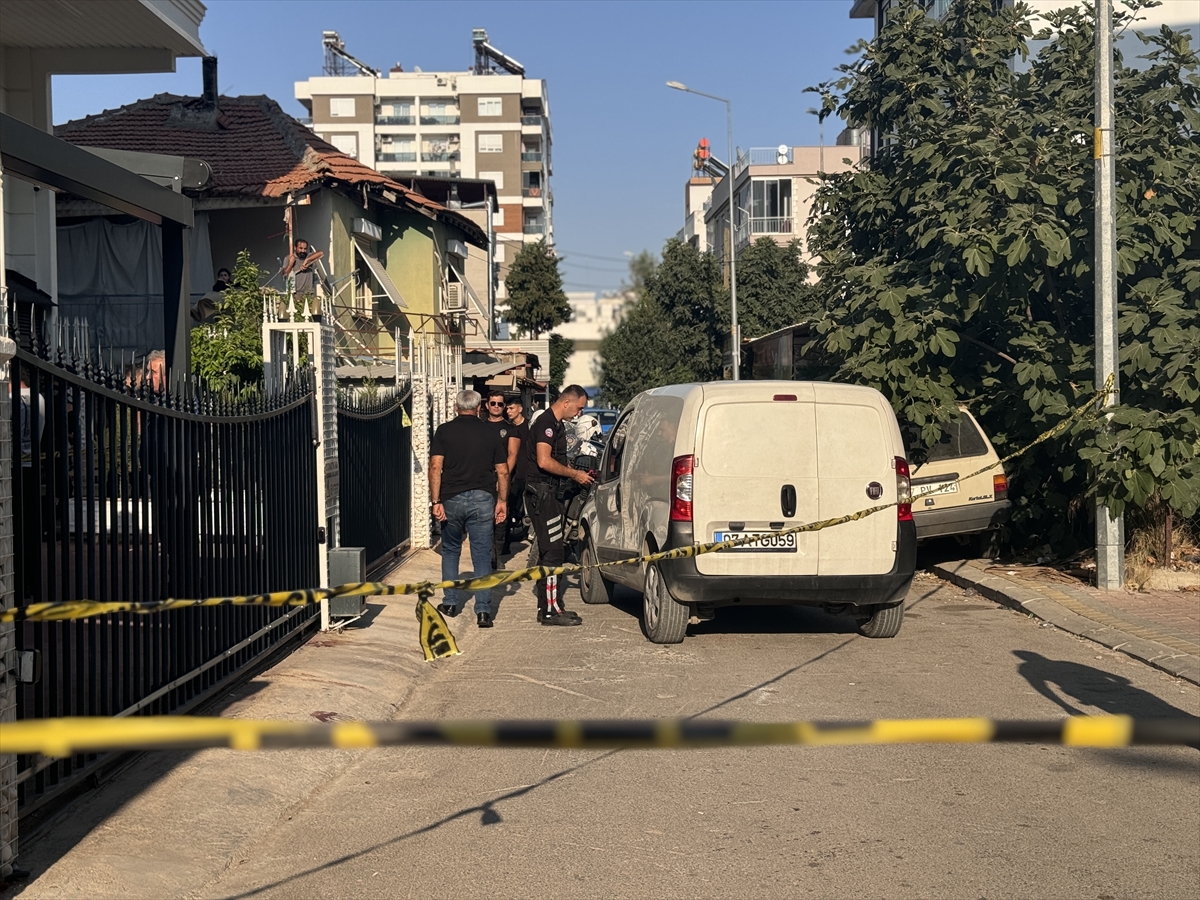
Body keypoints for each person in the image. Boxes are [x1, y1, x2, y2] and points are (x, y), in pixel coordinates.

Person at [429, 390, 509, 628]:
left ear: (456, 407)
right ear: (479, 408)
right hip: (483, 498)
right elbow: (503, 470)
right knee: (482, 555)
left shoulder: (444, 431)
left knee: (450, 550)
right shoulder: (490, 433)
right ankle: (483, 610)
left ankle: (450, 603)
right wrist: (502, 501)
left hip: (451, 498)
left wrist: (436, 501)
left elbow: (435, 467)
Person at [524, 384, 593, 626]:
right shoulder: (546, 423)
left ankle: (551, 606)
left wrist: (575, 471)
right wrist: (574, 474)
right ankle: (550, 611)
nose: (579, 413)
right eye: (579, 408)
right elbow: (544, 461)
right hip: (542, 495)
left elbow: (556, 459)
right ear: (566, 402)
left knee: (550, 551)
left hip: (549, 493)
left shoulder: (557, 424)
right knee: (553, 552)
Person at [482, 389, 512, 567]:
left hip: (502, 478)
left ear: (504, 406)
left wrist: (503, 478)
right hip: (484, 479)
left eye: (500, 404)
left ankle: (498, 557)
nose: (496, 406)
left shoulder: (510, 429)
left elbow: (512, 455)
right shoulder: (480, 427)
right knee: (484, 518)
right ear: (487, 405)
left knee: (501, 519)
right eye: (493, 403)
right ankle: (489, 555)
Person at [503, 395, 530, 553]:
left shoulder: (530, 428)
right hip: (512, 476)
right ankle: (505, 545)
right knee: (509, 508)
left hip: (527, 475)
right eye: (507, 408)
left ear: (520, 409)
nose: (508, 411)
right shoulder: (508, 429)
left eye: (511, 408)